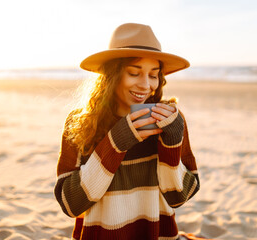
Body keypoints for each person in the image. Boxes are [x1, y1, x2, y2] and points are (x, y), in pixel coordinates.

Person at [54, 23, 200, 240]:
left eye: (154, 75)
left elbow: (178, 197)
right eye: (134, 73)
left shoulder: (170, 121)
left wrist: (172, 140)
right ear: (112, 74)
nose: (145, 85)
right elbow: (71, 204)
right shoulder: (81, 122)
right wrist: (117, 141)